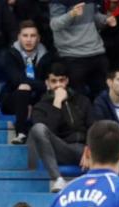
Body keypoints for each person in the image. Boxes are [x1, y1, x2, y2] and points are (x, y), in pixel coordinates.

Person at [27, 63, 93, 193]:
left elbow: (93, 126)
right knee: (38, 128)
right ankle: (57, 179)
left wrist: (90, 147)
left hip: (83, 149)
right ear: (47, 83)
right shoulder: (40, 106)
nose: (58, 85)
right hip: (60, 149)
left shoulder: (83, 101)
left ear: (67, 81)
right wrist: (57, 103)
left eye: (61, 80)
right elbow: (47, 133)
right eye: (54, 81)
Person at [1, 20, 53, 144]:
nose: (28, 40)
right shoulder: (10, 54)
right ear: (19, 37)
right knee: (24, 86)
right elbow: (16, 80)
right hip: (13, 99)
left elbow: (51, 80)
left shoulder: (47, 56)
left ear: (38, 38)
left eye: (32, 36)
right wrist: (44, 85)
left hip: (38, 99)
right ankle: (21, 133)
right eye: (25, 36)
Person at [50, 0, 112, 99]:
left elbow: (94, 16)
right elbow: (55, 24)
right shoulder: (58, 2)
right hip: (72, 55)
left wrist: (106, 19)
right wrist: (71, 14)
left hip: (96, 52)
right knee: (78, 100)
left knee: (103, 97)